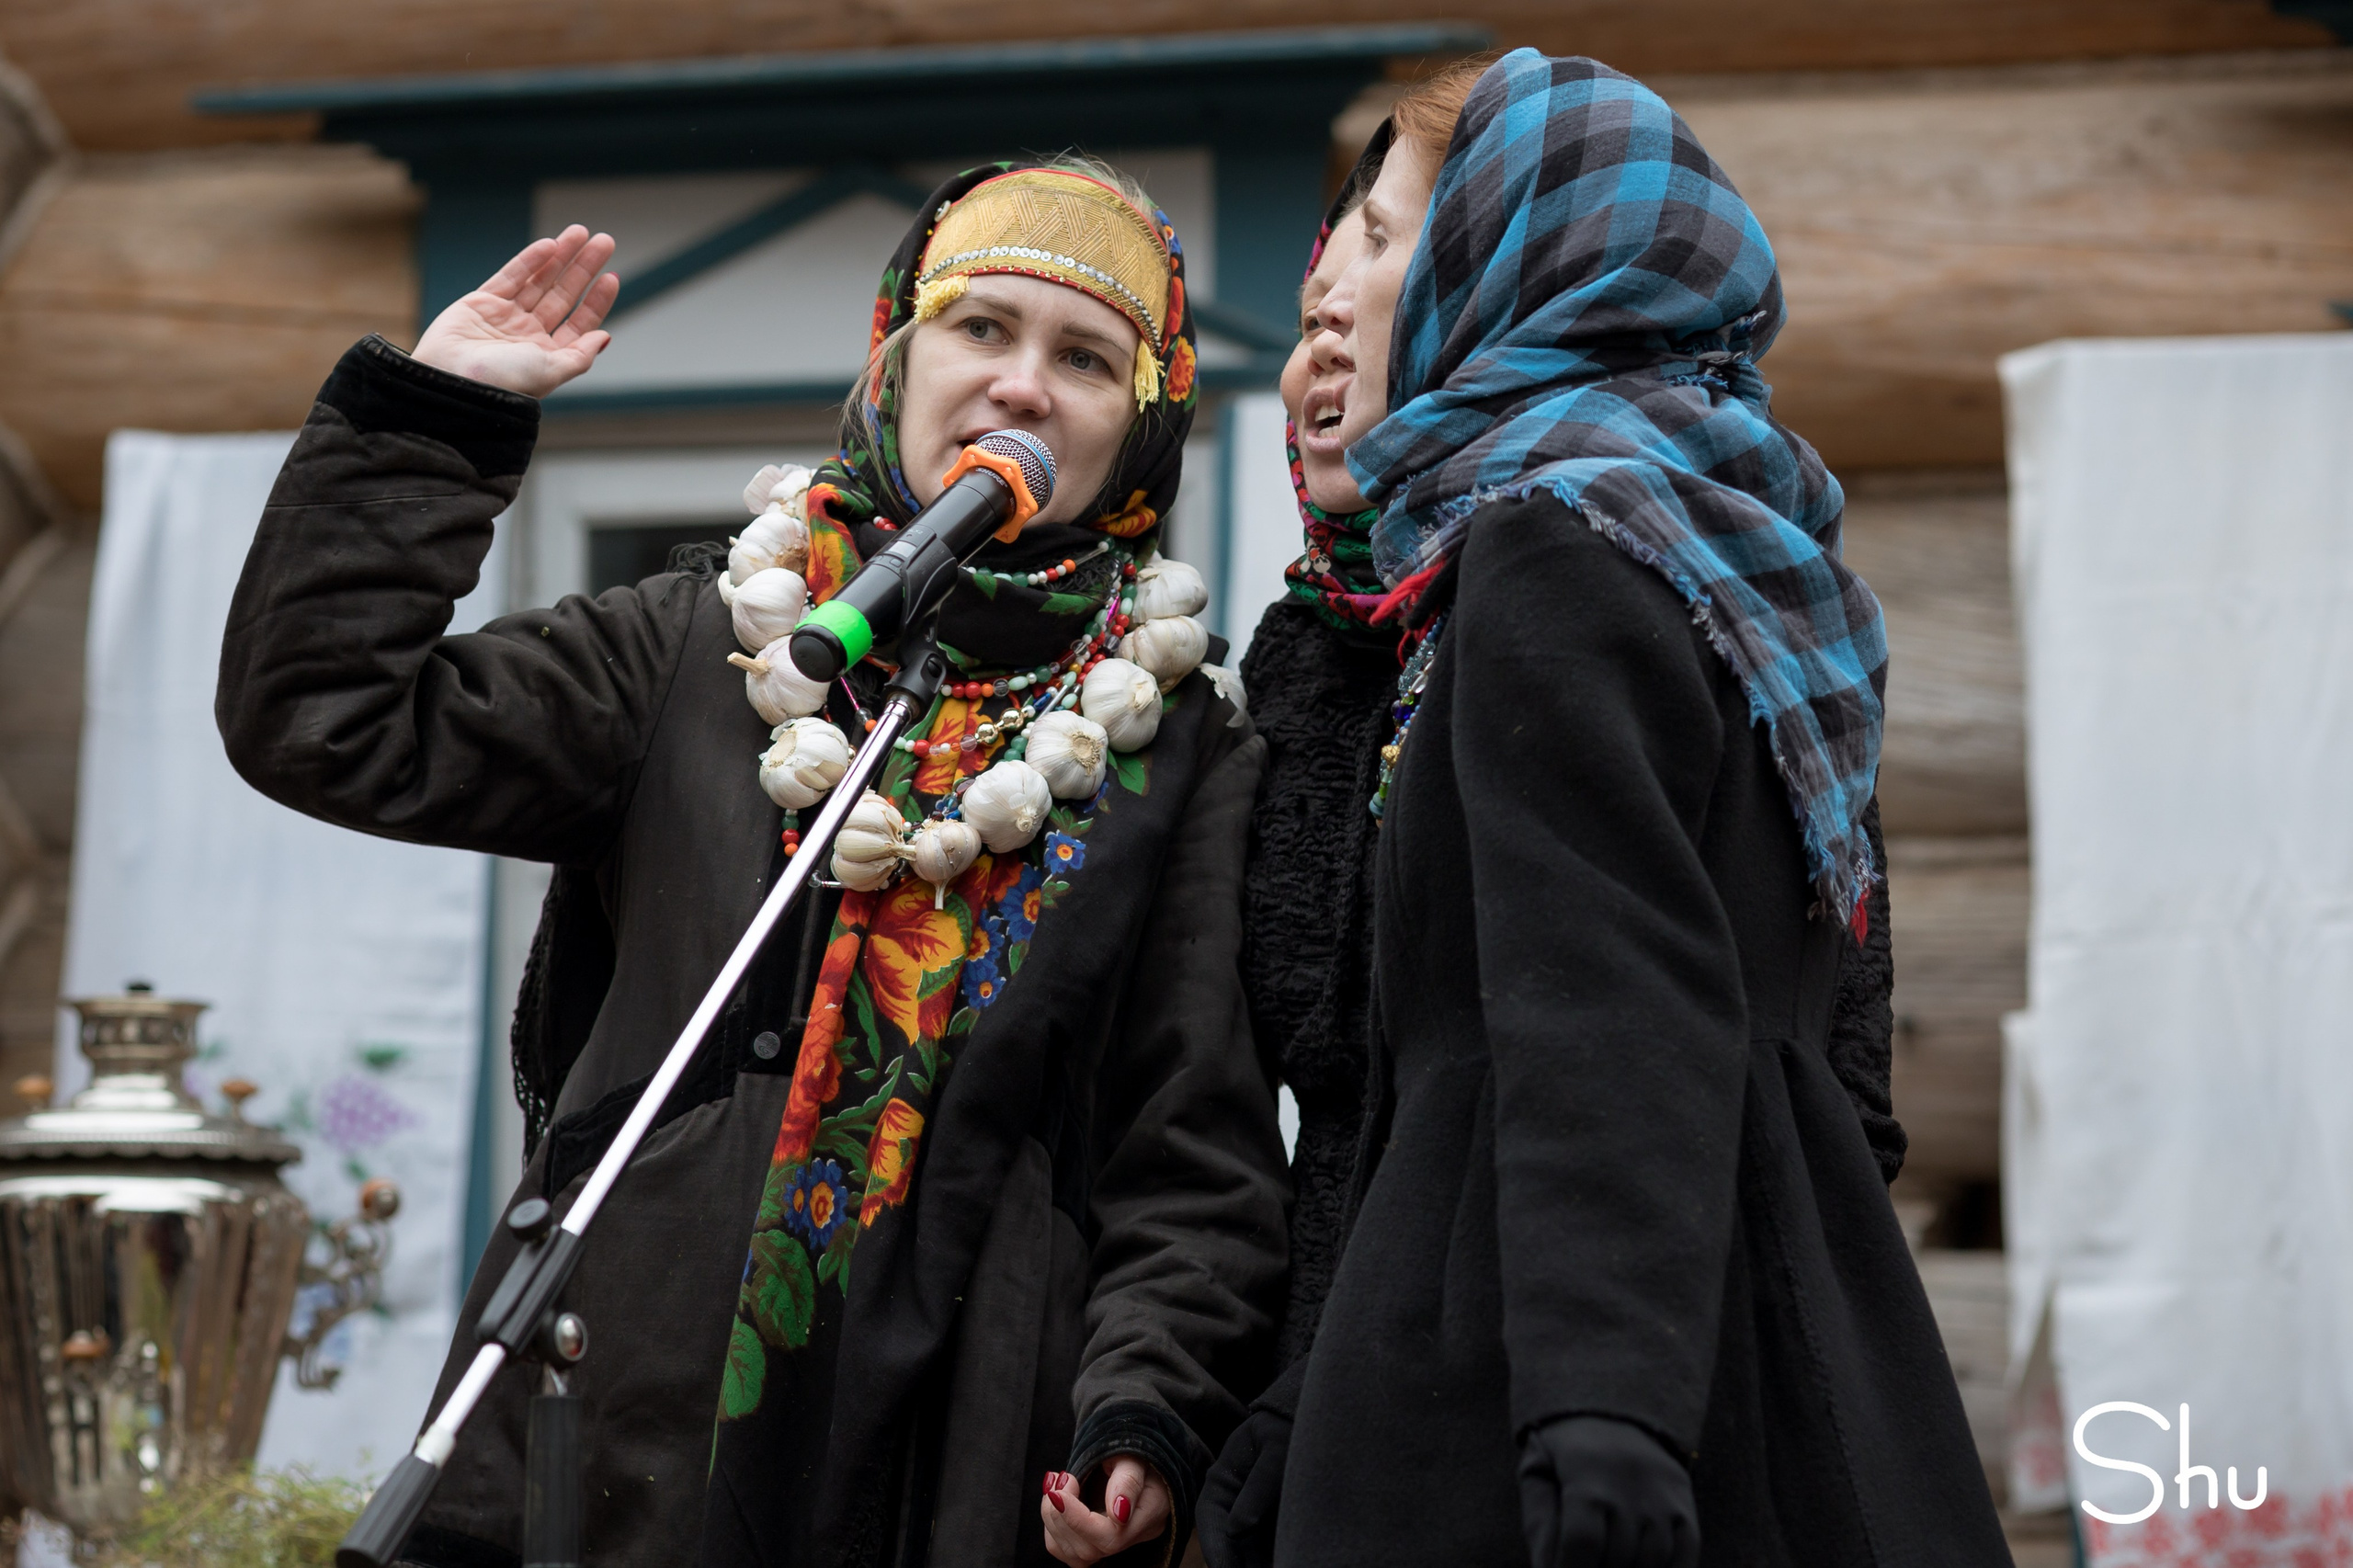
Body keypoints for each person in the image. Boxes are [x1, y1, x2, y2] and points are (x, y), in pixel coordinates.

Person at [215, 159, 1288, 1568]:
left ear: (1139, 429)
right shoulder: (698, 645)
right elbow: (324, 720)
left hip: (954, 1462)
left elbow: (1190, 1155)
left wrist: (1145, 1408)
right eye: (982, 329)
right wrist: (436, 418)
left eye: (1084, 357)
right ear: (896, 362)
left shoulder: (1179, 742)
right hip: (620, 1429)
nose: (1023, 385)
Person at [1209, 51, 1999, 1568]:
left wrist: (1606, 1409)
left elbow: (1604, 999)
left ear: (1508, 250)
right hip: (1718, 1306)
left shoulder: (1551, 546)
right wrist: (1305, 1397)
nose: (1329, 282)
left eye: (1379, 234)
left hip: (1571, 1376)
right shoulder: (1720, 560)